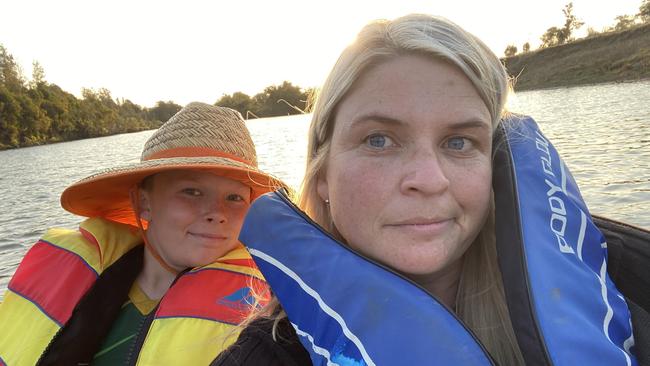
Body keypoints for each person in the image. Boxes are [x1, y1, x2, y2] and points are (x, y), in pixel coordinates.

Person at [214, 14, 641, 366]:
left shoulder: (620, 286)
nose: (428, 178)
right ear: (323, 174)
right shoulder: (264, 358)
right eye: (378, 139)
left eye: (459, 142)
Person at [0, 102, 281, 365]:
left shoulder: (271, 312)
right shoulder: (89, 283)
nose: (217, 212)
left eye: (234, 198)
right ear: (144, 203)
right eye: (191, 192)